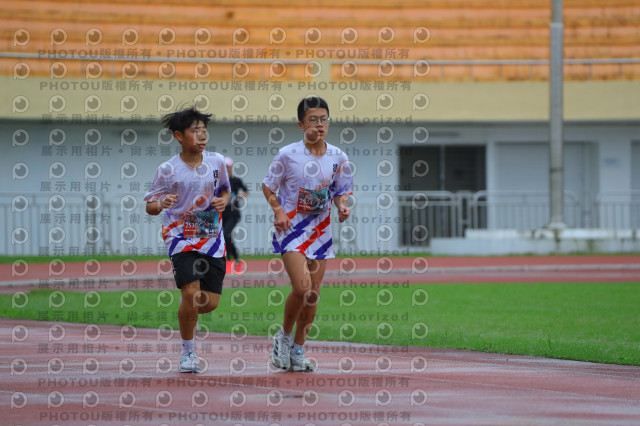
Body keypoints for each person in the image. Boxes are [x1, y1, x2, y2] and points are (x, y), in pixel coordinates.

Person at [262, 96, 353, 372]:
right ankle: (284, 338)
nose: (319, 125)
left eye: (324, 119)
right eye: (313, 120)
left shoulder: (338, 156)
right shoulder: (287, 154)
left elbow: (340, 190)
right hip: (291, 229)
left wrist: (342, 206)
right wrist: (278, 211)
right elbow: (268, 187)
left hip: (320, 231)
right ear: (301, 124)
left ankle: (299, 349)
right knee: (301, 288)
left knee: (313, 294)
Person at [144, 106, 230, 373]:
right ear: (179, 136)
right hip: (180, 237)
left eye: (204, 130)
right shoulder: (168, 169)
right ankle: (188, 352)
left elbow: (225, 190)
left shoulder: (216, 162)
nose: (202, 136)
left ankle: (187, 313)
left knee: (209, 303)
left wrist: (223, 202)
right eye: (195, 131)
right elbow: (149, 205)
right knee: (190, 293)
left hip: (212, 237)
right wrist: (161, 203)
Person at [221, 156, 249, 275]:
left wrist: (241, 196)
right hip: (222, 214)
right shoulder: (220, 182)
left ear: (231, 167)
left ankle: (230, 261)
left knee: (226, 235)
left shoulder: (236, 181)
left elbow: (246, 191)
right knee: (225, 237)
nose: (226, 168)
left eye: (228, 166)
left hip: (233, 213)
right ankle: (236, 261)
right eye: (224, 167)